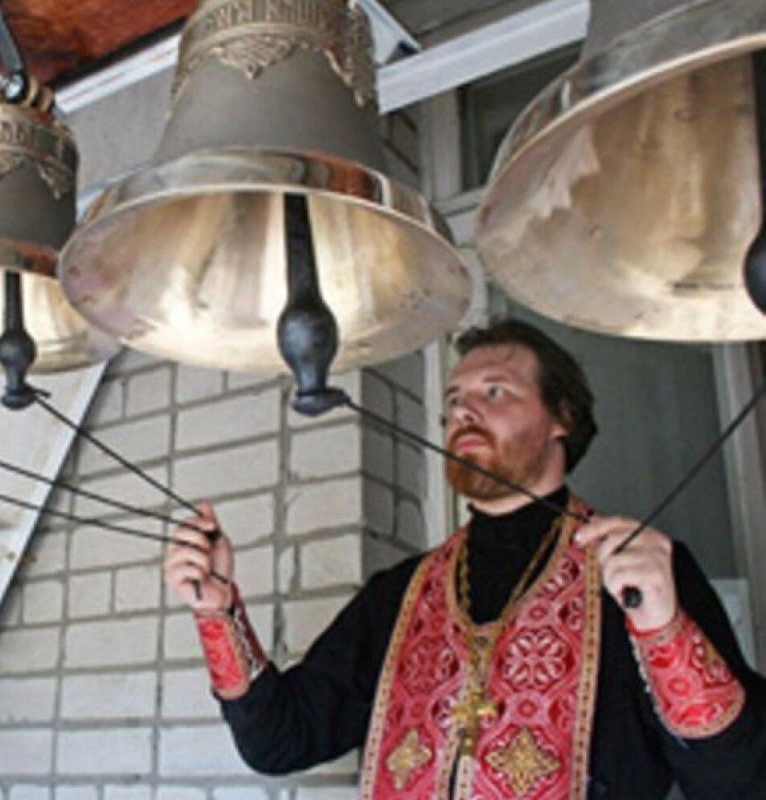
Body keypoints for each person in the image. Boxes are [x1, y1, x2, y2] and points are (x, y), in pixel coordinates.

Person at [164, 319, 766, 798]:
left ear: (561, 418)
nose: (461, 412)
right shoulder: (398, 593)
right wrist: (218, 616)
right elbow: (281, 741)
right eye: (452, 400)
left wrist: (664, 631)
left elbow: (736, 779)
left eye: (493, 392)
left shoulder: (639, 571)